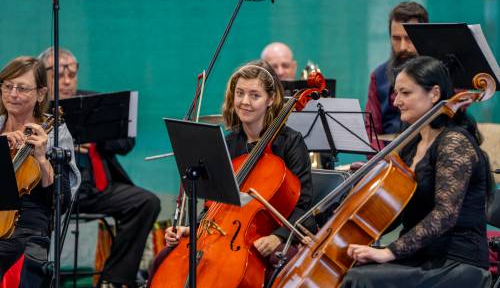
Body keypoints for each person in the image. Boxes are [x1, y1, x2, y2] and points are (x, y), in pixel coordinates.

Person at [149, 60, 315, 285]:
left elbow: (305, 209)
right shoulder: (228, 144)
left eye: (254, 95)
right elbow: (213, 205)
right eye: (240, 93)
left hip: (268, 238)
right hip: (220, 235)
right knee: (162, 259)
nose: (245, 102)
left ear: (271, 99)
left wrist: (278, 237)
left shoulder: (290, 143)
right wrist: (192, 229)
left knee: (282, 265)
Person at [342, 56, 492, 287]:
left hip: (456, 262)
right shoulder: (411, 145)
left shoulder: (454, 143)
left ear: (434, 94)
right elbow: (396, 214)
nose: (396, 102)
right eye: (395, 93)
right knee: (347, 267)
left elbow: (446, 214)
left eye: (405, 93)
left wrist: (389, 252)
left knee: (358, 280)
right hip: (419, 256)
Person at [38, 47, 161, 288]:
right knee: (34, 214)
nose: (66, 81)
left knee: (147, 202)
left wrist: (95, 134)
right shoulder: (38, 109)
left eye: (71, 75)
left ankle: (114, 279)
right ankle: (37, 276)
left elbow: (126, 143)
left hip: (98, 188)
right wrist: (68, 143)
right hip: (55, 192)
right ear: (44, 77)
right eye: (58, 75)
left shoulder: (94, 102)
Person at [0, 56, 80, 286]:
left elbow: (61, 203)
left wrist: (43, 159)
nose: (13, 94)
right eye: (7, 86)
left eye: (22, 88)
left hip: (28, 227)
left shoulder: (55, 133)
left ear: (41, 94)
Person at [365, 2, 429, 145]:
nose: (402, 47)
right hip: (387, 160)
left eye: (408, 38)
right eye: (396, 38)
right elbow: (371, 131)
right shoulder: (378, 76)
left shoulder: (442, 75)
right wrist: (384, 161)